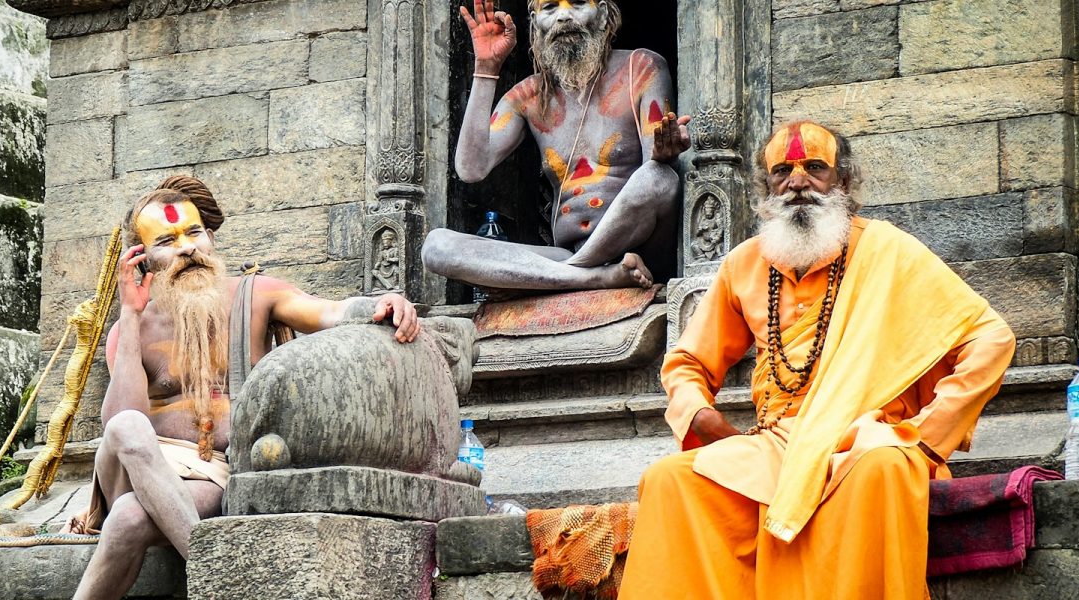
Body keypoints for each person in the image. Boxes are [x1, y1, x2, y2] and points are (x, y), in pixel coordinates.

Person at [619, 121, 1016, 599]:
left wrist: (927, 436)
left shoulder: (886, 250)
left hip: (861, 440)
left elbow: (991, 338)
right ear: (766, 187)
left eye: (816, 168)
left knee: (884, 469)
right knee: (669, 481)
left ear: (843, 182)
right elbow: (687, 363)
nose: (799, 182)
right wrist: (700, 414)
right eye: (782, 171)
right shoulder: (745, 264)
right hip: (776, 445)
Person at [67, 176, 420, 600]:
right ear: (142, 260)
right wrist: (129, 313)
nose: (186, 248)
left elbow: (329, 312)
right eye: (167, 240)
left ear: (210, 237)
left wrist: (383, 303)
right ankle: (224, 579)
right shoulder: (131, 327)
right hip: (132, 462)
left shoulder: (255, 296)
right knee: (126, 427)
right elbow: (120, 423)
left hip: (212, 471)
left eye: (194, 232)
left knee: (128, 517)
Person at [422, 0, 690, 293]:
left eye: (576, 3)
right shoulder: (528, 95)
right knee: (437, 246)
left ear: (602, 14)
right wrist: (486, 68)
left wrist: (665, 153)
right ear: (535, 23)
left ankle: (563, 277)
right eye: (550, 7)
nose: (563, 16)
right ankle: (595, 277)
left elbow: (658, 172)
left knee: (658, 177)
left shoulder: (641, 67)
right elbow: (470, 168)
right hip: (566, 253)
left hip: (643, 247)